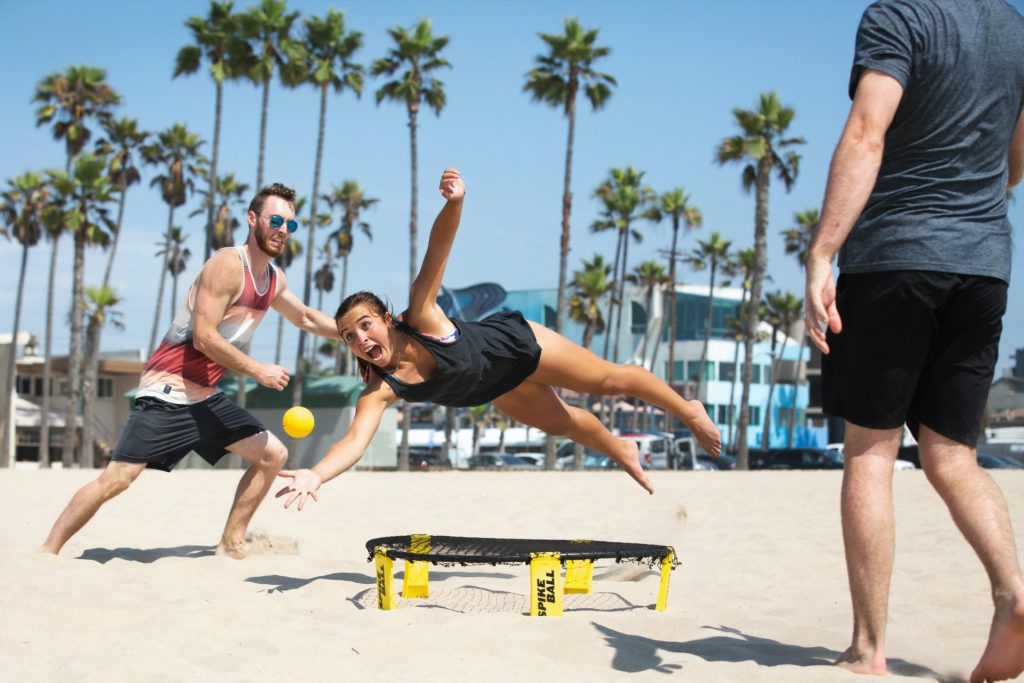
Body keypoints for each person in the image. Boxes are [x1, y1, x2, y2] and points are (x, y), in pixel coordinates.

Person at [274, 167, 721, 505]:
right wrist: (316, 474)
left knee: (609, 381)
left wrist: (455, 204)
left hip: (516, 345)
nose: (359, 337)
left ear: (387, 319)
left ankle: (687, 408)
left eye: (365, 324)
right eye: (349, 336)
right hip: (492, 387)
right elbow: (354, 441)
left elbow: (438, 251)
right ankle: (621, 449)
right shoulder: (378, 391)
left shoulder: (421, 315)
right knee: (565, 423)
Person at [804, 1, 1024, 680]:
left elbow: (867, 132)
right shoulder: (1016, 26)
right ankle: (1014, 592)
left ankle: (868, 647)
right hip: (984, 261)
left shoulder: (900, 16)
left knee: (870, 452)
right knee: (952, 452)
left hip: (897, 257)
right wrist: (975, 200)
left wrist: (822, 253)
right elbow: (1018, 154)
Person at [39, 182, 342, 559]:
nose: (283, 230)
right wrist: (257, 370)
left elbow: (309, 318)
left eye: (290, 225)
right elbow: (203, 338)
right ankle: (47, 552)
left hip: (204, 397)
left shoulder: (274, 280)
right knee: (118, 478)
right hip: (168, 389)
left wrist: (358, 332)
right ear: (252, 219)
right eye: (276, 220)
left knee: (272, 455)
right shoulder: (228, 264)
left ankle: (231, 543)